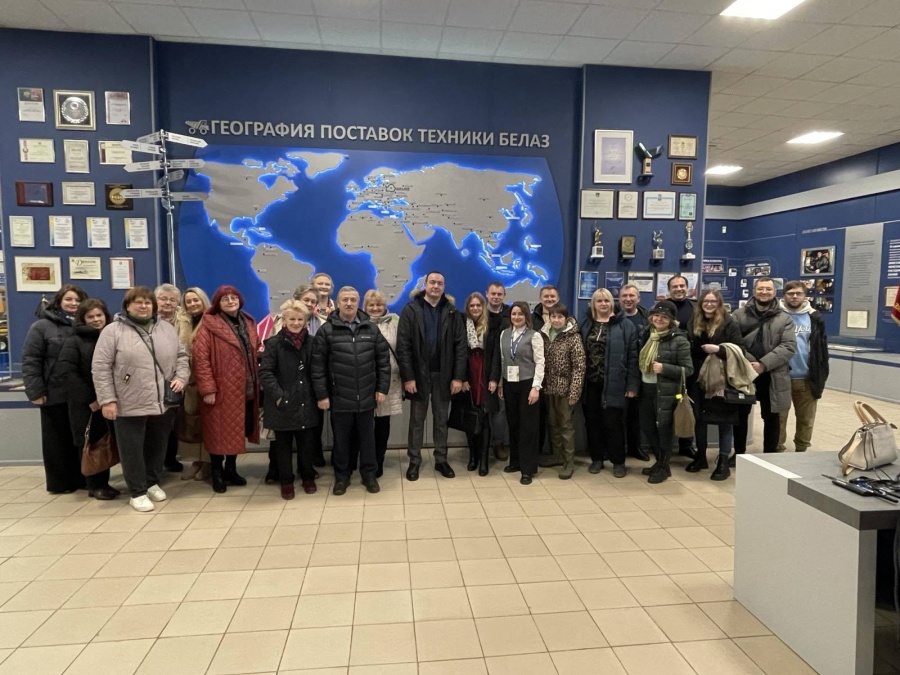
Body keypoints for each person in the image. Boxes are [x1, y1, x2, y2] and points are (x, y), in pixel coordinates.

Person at [92, 287, 189, 512]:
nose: (144, 306)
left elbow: (182, 356)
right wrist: (107, 400)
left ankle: (152, 482)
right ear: (128, 306)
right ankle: (137, 492)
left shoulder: (166, 329)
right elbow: (100, 368)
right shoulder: (112, 331)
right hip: (128, 401)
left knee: (157, 446)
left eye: (147, 302)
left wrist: (181, 377)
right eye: (138, 302)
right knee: (132, 449)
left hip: (162, 402)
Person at [312, 286, 390, 495]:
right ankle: (342, 477)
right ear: (338, 303)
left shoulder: (370, 329)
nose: (349, 303)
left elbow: (383, 362)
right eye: (345, 299)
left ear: (358, 303)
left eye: (353, 300)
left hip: (367, 396)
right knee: (341, 441)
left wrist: (382, 388)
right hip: (339, 397)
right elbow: (317, 366)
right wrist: (322, 395)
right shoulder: (326, 330)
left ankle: (369, 475)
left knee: (368, 440)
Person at [396, 271, 467, 481]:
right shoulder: (411, 310)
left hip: (443, 376)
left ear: (444, 287)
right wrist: (408, 377)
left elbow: (460, 347)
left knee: (441, 420)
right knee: (417, 421)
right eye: (432, 282)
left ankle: (441, 459)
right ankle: (414, 461)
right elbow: (403, 346)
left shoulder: (452, 312)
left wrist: (458, 377)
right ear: (425, 285)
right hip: (418, 377)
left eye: (440, 283)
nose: (436, 286)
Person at [192, 285, 261, 493]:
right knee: (218, 432)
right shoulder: (208, 325)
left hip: (245, 388)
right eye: (225, 299)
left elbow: (255, 349)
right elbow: (200, 360)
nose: (231, 301)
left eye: (234, 298)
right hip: (221, 389)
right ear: (218, 303)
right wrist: (208, 389)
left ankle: (231, 469)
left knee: (236, 429)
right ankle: (217, 473)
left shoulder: (248, 322)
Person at [23, 284, 88, 494]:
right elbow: (31, 360)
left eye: (77, 300)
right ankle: (60, 483)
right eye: (69, 299)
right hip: (53, 394)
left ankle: (83, 478)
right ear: (59, 301)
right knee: (56, 441)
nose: (73, 303)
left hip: (80, 395)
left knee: (80, 439)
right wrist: (35, 391)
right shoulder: (41, 327)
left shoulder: (86, 326)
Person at [56, 298, 120, 500]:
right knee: (91, 444)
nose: (96, 319)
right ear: (82, 319)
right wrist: (90, 399)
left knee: (105, 442)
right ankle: (94, 484)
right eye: (90, 316)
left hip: (109, 401)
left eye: (99, 315)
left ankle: (104, 482)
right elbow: (67, 373)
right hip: (87, 405)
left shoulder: (111, 336)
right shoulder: (74, 341)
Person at [578, 288, 640, 478]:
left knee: (613, 424)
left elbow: (633, 357)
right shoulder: (586, 323)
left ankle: (618, 461)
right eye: (599, 301)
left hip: (615, 383)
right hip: (590, 383)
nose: (603, 304)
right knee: (592, 422)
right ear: (593, 304)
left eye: (606, 300)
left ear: (612, 303)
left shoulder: (625, 325)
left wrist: (632, 385)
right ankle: (597, 459)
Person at [732, 277, 796, 460]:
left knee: (771, 417)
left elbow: (788, 346)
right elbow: (733, 342)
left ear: (774, 292)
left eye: (768, 289)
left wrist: (763, 364)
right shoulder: (739, 315)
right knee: (740, 416)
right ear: (754, 291)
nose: (764, 292)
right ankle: (739, 454)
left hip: (773, 374)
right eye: (761, 289)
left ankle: (769, 457)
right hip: (745, 372)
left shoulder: (785, 319)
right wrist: (750, 362)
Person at [260, 301, 319, 499]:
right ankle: (286, 481)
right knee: (283, 446)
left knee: (307, 444)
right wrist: (279, 396)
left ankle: (307, 477)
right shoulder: (274, 343)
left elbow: (317, 371)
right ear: (284, 320)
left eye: (300, 319)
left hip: (306, 401)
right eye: (292, 319)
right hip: (282, 403)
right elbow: (266, 373)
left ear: (306, 321)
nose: (296, 323)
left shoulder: (312, 342)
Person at [686, 290, 746, 481]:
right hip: (697, 376)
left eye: (713, 301)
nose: (709, 304)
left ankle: (723, 461)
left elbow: (740, 349)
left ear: (719, 303)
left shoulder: (729, 322)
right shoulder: (694, 321)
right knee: (699, 418)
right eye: (706, 301)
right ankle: (701, 456)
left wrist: (719, 350)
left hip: (721, 377)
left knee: (724, 419)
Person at [638, 301, 693, 484]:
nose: (659, 319)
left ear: (671, 320)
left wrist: (665, 368)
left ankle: (664, 466)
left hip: (666, 392)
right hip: (646, 389)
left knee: (664, 430)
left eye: (664, 317)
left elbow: (688, 370)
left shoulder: (679, 340)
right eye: (656, 316)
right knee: (647, 427)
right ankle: (659, 462)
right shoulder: (647, 334)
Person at [778, 280, 829, 453]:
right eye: (790, 293)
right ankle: (776, 451)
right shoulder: (776, 315)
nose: (794, 296)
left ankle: (802, 451)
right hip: (780, 378)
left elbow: (821, 348)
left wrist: (821, 373)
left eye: (798, 293)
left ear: (805, 296)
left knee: (806, 420)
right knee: (778, 420)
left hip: (806, 378)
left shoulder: (814, 318)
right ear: (784, 296)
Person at [499, 301, 545, 485]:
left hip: (527, 384)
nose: (516, 317)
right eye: (514, 314)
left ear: (527, 316)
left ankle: (528, 468)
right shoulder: (504, 334)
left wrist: (536, 387)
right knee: (514, 424)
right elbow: (503, 360)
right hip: (509, 383)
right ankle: (515, 462)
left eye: (520, 314)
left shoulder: (534, 336)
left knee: (528, 427)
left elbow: (540, 362)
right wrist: (501, 384)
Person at [539, 303, 585, 479]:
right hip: (548, 387)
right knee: (553, 424)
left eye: (560, 317)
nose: (556, 320)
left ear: (566, 319)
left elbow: (579, 367)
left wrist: (574, 392)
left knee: (566, 426)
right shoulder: (544, 334)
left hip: (566, 389)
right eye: (553, 316)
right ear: (549, 317)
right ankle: (557, 456)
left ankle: (568, 462)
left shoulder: (573, 337)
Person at [460, 292, 501, 476]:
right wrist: (462, 378)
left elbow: (496, 354)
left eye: (478, 305)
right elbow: (458, 352)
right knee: (470, 417)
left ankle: (484, 459)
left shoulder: (492, 324)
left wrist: (494, 378)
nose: (475, 308)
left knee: (484, 418)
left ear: (483, 307)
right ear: (468, 308)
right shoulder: (462, 324)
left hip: (485, 374)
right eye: (472, 306)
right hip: (469, 374)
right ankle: (473, 456)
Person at [174, 287, 211, 482]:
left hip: (207, 379)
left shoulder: (212, 320)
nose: (192, 304)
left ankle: (208, 463)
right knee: (192, 422)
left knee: (208, 422)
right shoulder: (182, 322)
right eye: (188, 301)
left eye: (196, 300)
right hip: (188, 381)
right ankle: (196, 462)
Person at [364, 289, 402, 478]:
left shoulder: (394, 323)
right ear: (365, 307)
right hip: (364, 382)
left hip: (389, 382)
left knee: (382, 424)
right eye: (371, 305)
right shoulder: (360, 325)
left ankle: (378, 461)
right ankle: (366, 460)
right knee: (363, 425)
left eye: (379, 304)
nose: (375, 308)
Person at [667, 274, 698, 460]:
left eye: (682, 286)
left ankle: (686, 444)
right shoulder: (662, 307)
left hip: (690, 366)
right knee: (667, 406)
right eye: (675, 286)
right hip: (667, 364)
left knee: (687, 404)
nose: (679, 289)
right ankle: (664, 447)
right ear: (669, 289)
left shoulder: (696, 308)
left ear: (687, 288)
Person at [618, 284, 650, 462]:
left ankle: (635, 447)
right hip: (620, 371)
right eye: (624, 296)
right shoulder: (614, 318)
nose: (628, 299)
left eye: (631, 296)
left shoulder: (647, 319)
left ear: (638, 298)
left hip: (643, 372)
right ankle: (618, 449)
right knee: (618, 415)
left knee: (637, 414)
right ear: (619, 299)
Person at [155, 283, 184, 473]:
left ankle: (170, 459)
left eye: (172, 300)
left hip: (178, 379)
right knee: (154, 425)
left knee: (172, 423)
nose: (167, 303)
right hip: (151, 380)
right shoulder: (148, 320)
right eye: (163, 299)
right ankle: (154, 465)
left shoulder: (185, 320)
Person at [532, 285, 559, 458]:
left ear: (558, 298)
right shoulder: (532, 319)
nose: (549, 299)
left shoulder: (566, 318)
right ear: (540, 298)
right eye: (546, 296)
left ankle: (557, 454)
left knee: (557, 418)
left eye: (552, 296)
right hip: (537, 376)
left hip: (558, 377)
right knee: (538, 417)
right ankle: (538, 452)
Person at [486, 282, 511, 461]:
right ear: (487, 294)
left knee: (500, 410)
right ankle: (479, 445)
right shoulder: (479, 312)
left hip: (503, 369)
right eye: (493, 294)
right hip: (481, 367)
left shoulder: (510, 315)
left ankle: (498, 443)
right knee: (481, 409)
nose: (496, 297)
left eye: (499, 294)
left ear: (504, 295)